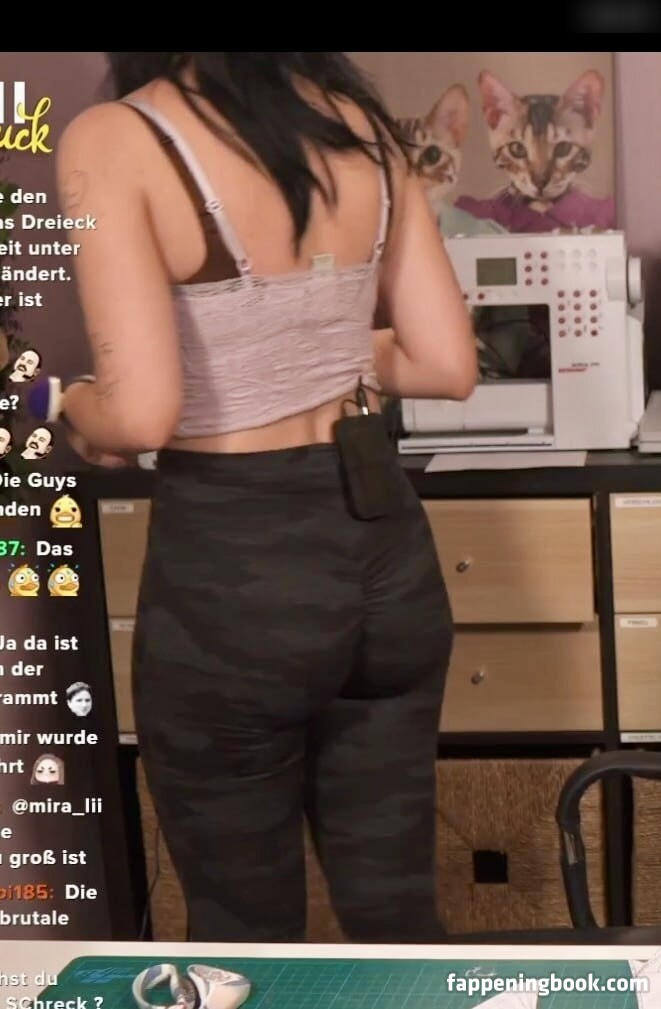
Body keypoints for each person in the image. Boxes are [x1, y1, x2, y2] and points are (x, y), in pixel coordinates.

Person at [57, 52, 477, 943]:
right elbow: (446, 363)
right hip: (386, 558)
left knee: (241, 933)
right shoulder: (362, 126)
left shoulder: (118, 137)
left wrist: (60, 401)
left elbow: (139, 414)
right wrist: (310, 343)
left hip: (235, 569)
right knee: (397, 917)